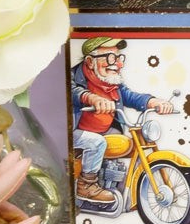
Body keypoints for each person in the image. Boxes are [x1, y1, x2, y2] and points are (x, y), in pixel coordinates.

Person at [70, 37, 174, 202]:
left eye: (119, 58)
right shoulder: (71, 76)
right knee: (97, 143)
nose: (118, 64)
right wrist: (91, 98)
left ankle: (123, 186)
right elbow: (71, 91)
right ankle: (86, 186)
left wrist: (154, 102)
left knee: (130, 144)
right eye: (111, 58)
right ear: (90, 61)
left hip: (103, 131)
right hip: (70, 134)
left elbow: (131, 97)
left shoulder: (110, 83)